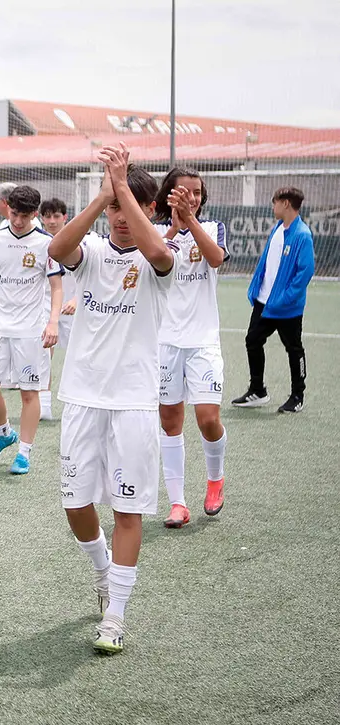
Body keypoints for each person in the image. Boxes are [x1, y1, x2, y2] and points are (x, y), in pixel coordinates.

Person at [47, 143, 176, 655]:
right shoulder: (93, 253)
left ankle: (116, 615)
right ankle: (102, 571)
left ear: (150, 211)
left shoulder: (161, 257)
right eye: (116, 208)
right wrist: (105, 197)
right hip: (82, 397)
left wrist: (122, 185)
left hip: (135, 403)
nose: (122, 217)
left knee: (128, 509)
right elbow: (57, 251)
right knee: (76, 505)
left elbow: (160, 256)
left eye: (133, 207)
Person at [154, 168, 229, 527]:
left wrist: (191, 220)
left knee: (208, 418)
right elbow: (154, 260)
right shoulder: (155, 232)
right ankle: (177, 503)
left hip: (203, 342)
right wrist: (173, 224)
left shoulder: (213, 228)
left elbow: (215, 259)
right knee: (170, 422)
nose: (191, 197)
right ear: (169, 194)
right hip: (165, 342)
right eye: (183, 192)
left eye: (197, 192)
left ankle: (215, 479)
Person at [0, 185, 61, 475]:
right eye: (13, 214)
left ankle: (24, 452)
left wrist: (52, 321)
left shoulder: (46, 243)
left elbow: (55, 285)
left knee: (28, 393)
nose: (17, 221)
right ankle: (4, 433)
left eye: (24, 216)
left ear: (34, 214)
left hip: (29, 330)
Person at [232, 187, 315, 414]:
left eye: (275, 202)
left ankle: (298, 395)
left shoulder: (302, 235)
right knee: (253, 340)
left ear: (286, 203)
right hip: (264, 303)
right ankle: (258, 390)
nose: (272, 206)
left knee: (294, 349)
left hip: (286, 307)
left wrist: (286, 299)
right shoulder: (278, 228)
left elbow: (304, 273)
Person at [37, 198, 75, 420]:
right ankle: (44, 406)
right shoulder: (38, 243)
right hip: (46, 307)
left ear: (65, 217)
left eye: (56, 216)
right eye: (47, 216)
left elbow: (91, 277)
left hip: (73, 309)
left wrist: (77, 300)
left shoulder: (78, 239)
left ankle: (75, 404)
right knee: (43, 355)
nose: (51, 221)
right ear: (41, 218)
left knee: (78, 357)